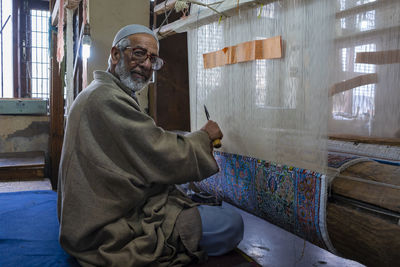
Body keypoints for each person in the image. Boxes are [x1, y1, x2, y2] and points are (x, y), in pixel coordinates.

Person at [57, 24, 244, 267]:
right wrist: (204, 137)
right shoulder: (105, 98)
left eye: (153, 59)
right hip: (107, 228)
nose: (146, 65)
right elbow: (158, 151)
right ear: (115, 55)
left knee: (200, 206)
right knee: (232, 224)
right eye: (138, 53)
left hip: (99, 216)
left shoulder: (104, 93)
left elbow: (144, 143)